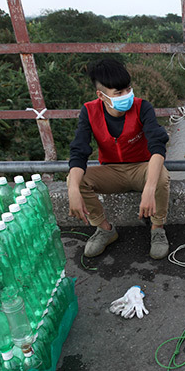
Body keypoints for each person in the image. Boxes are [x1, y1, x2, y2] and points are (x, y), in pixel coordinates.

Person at [67, 58, 170, 259]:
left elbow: (157, 146)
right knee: (75, 179)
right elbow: (79, 152)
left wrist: (149, 189)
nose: (126, 96)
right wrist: (72, 189)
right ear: (102, 95)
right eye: (118, 93)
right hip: (111, 171)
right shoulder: (89, 111)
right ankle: (105, 229)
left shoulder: (142, 107)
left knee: (161, 175)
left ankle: (157, 228)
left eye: (128, 90)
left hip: (141, 168)